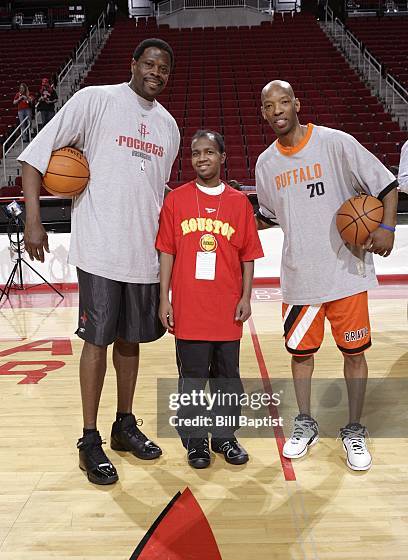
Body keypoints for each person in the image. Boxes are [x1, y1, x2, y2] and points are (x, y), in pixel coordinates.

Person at [18, 38, 180, 485]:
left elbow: (157, 193)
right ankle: (89, 438)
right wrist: (34, 220)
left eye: (163, 68)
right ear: (133, 64)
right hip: (100, 250)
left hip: (144, 256)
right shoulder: (95, 100)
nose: (156, 72)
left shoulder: (169, 127)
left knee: (131, 342)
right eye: (149, 63)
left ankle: (123, 425)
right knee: (97, 341)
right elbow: (33, 157)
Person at [255, 80, 398, 471]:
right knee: (301, 357)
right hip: (301, 278)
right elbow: (268, 217)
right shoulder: (265, 164)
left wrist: (386, 228)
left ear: (297, 103)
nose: (278, 110)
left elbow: (387, 184)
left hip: (346, 273)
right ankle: (305, 422)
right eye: (270, 106)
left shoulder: (336, 143)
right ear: (264, 113)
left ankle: (354, 428)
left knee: (355, 354)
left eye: (285, 101)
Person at [156, 130, 264, 469]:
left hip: (227, 307)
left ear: (222, 156)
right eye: (196, 153)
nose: (202, 158)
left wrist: (246, 296)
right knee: (191, 378)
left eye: (209, 152)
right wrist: (164, 299)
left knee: (227, 377)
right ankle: (195, 442)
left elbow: (248, 255)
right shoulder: (176, 200)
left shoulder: (238, 202)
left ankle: (224, 438)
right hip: (189, 306)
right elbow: (166, 252)